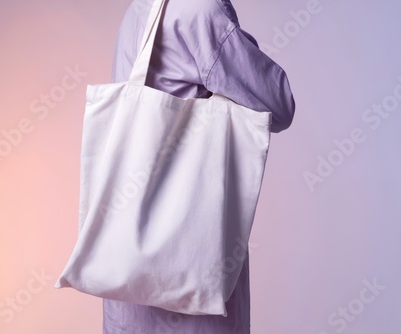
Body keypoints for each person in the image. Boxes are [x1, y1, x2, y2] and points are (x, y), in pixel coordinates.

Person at [103, 0, 295, 332]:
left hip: (128, 281)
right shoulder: (201, 10)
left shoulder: (141, 8)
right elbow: (279, 105)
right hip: (192, 274)